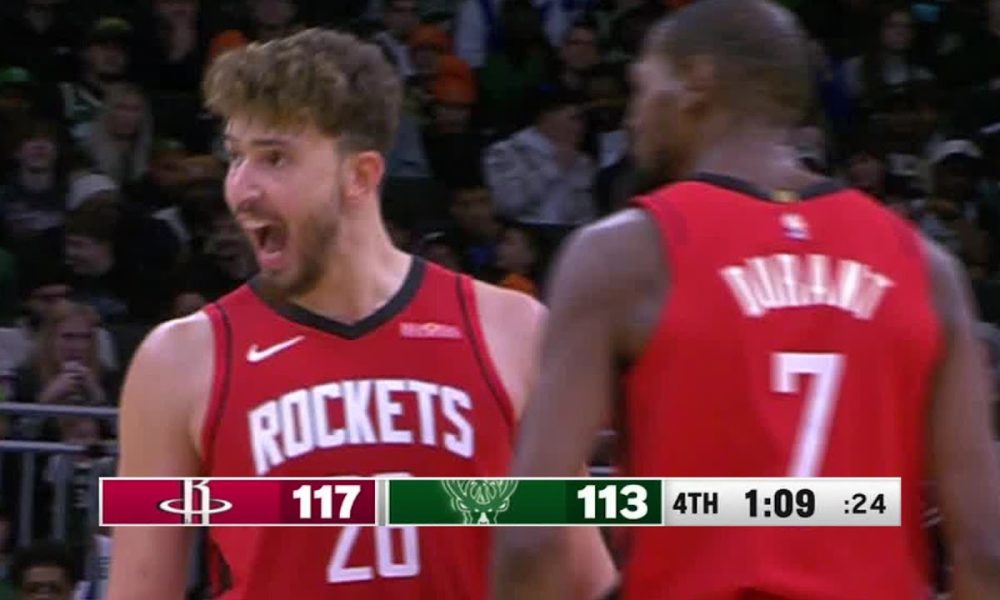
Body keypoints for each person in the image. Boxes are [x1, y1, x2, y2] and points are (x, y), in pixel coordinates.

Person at [494, 1, 1000, 599]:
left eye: (643, 87)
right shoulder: (926, 267)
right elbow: (985, 551)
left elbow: (533, 534)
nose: (633, 116)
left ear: (696, 82)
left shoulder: (627, 254)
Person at [107, 28, 614, 600]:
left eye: (274, 158)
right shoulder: (178, 360)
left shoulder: (513, 330)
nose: (240, 188)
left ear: (360, 175)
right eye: (236, 156)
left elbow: (582, 572)